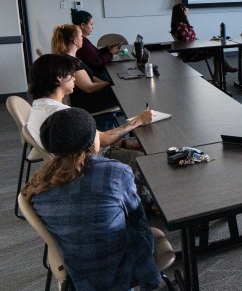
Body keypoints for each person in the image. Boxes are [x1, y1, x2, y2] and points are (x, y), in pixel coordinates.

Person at [21, 108, 162, 291]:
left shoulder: (37, 185)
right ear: (90, 142)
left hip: (77, 270)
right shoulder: (116, 172)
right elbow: (137, 219)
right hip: (118, 268)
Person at [26, 54, 152, 169]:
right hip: (91, 164)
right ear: (59, 78)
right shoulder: (64, 115)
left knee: (139, 145)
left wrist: (123, 142)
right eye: (71, 74)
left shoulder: (38, 106)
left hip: (71, 160)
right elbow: (101, 141)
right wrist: (138, 120)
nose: (75, 78)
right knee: (148, 161)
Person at [51, 24, 118, 124]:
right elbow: (89, 87)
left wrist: (106, 82)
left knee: (120, 87)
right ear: (75, 41)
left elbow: (90, 77)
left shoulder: (72, 57)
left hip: (87, 97)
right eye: (81, 36)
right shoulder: (70, 62)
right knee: (122, 91)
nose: (83, 39)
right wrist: (109, 83)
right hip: (85, 102)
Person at [170, 3, 237, 83]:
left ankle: (219, 74)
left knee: (217, 49)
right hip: (190, 54)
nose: (188, 10)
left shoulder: (179, 24)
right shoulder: (181, 25)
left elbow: (190, 39)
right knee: (217, 49)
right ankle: (221, 72)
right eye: (185, 9)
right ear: (182, 11)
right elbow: (187, 41)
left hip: (192, 50)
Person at [71, 8, 120, 81]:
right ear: (83, 25)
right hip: (97, 74)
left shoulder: (82, 39)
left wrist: (108, 48)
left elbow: (94, 55)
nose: (92, 27)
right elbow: (96, 62)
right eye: (91, 24)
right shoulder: (82, 42)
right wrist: (111, 53)